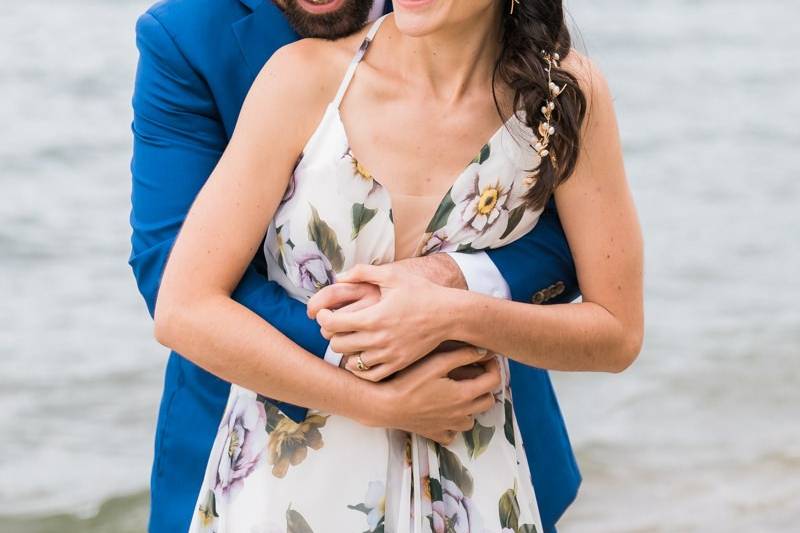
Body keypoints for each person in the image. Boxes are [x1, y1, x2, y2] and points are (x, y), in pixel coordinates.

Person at [128, 0, 624, 531]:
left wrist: (450, 288)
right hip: (277, 444)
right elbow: (176, 278)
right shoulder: (194, 41)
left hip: (480, 448)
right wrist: (376, 373)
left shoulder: (555, 86)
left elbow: (563, 238)